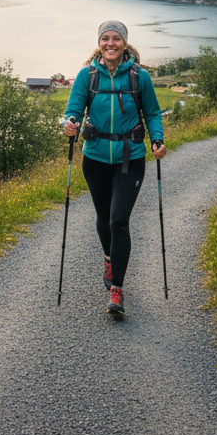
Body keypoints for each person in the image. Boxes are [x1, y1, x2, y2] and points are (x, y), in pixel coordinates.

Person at [62, 20, 165, 316]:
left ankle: (117, 289)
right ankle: (109, 256)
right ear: (99, 43)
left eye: (116, 39)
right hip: (94, 159)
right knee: (103, 217)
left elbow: (153, 112)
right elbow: (72, 111)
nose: (110, 44)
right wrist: (69, 125)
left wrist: (157, 139)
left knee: (118, 220)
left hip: (129, 158)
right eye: (105, 38)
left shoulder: (139, 76)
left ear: (124, 43)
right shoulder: (87, 76)